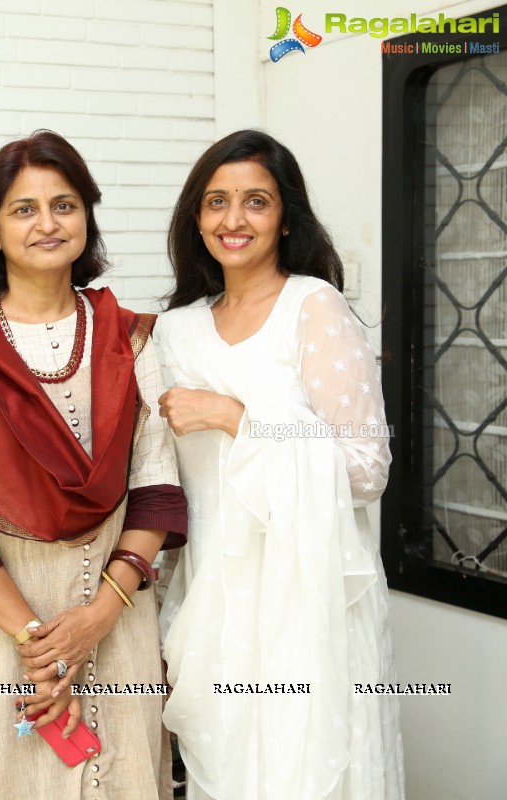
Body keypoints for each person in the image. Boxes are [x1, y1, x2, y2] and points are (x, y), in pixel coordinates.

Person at [0, 130, 188, 800]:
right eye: (23, 209)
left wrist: (97, 618)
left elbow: (157, 485)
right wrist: (40, 644)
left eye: (64, 205)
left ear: (87, 218)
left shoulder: (130, 336)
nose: (47, 223)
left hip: (116, 617)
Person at [155, 129, 405, 799]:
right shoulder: (175, 330)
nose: (233, 220)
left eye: (255, 201)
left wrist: (236, 418)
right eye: (216, 202)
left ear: (285, 216)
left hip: (308, 601)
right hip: (212, 601)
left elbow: (366, 469)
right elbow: (176, 485)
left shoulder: (312, 308)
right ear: (196, 216)